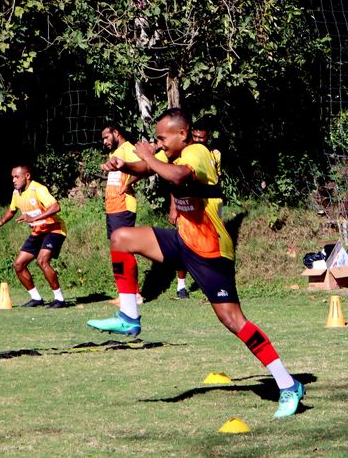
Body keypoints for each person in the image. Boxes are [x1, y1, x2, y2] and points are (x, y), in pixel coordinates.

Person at [87, 108, 304, 418]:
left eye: (163, 138)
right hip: (183, 241)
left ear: (182, 134)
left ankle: (288, 385)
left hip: (211, 251)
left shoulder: (197, 152)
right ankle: (129, 316)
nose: (159, 143)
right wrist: (127, 164)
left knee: (234, 322)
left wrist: (147, 155)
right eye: (157, 140)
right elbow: (150, 169)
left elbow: (177, 175)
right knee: (121, 237)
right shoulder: (173, 154)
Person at [0, 165, 67, 308]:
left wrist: (34, 219)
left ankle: (59, 299)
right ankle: (36, 298)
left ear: (27, 176)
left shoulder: (38, 189)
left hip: (54, 229)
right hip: (38, 232)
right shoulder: (16, 193)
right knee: (18, 265)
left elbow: (56, 207)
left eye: (17, 177)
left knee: (42, 261)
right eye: (12, 177)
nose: (13, 180)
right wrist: (1, 221)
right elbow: (12, 210)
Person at [171, 123, 222, 299]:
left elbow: (215, 179)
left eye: (202, 138)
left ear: (208, 137)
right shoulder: (183, 155)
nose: (199, 141)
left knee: (212, 244)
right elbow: (175, 182)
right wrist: (174, 209)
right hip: (187, 205)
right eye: (196, 137)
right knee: (184, 245)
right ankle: (181, 286)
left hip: (208, 206)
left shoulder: (214, 154)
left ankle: (212, 284)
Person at [101, 125, 143, 305]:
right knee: (117, 252)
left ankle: (135, 294)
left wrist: (129, 184)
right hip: (112, 208)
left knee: (124, 250)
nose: (104, 141)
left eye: (106, 137)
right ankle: (125, 293)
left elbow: (141, 168)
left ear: (116, 133)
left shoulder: (128, 149)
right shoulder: (115, 153)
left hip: (123, 206)